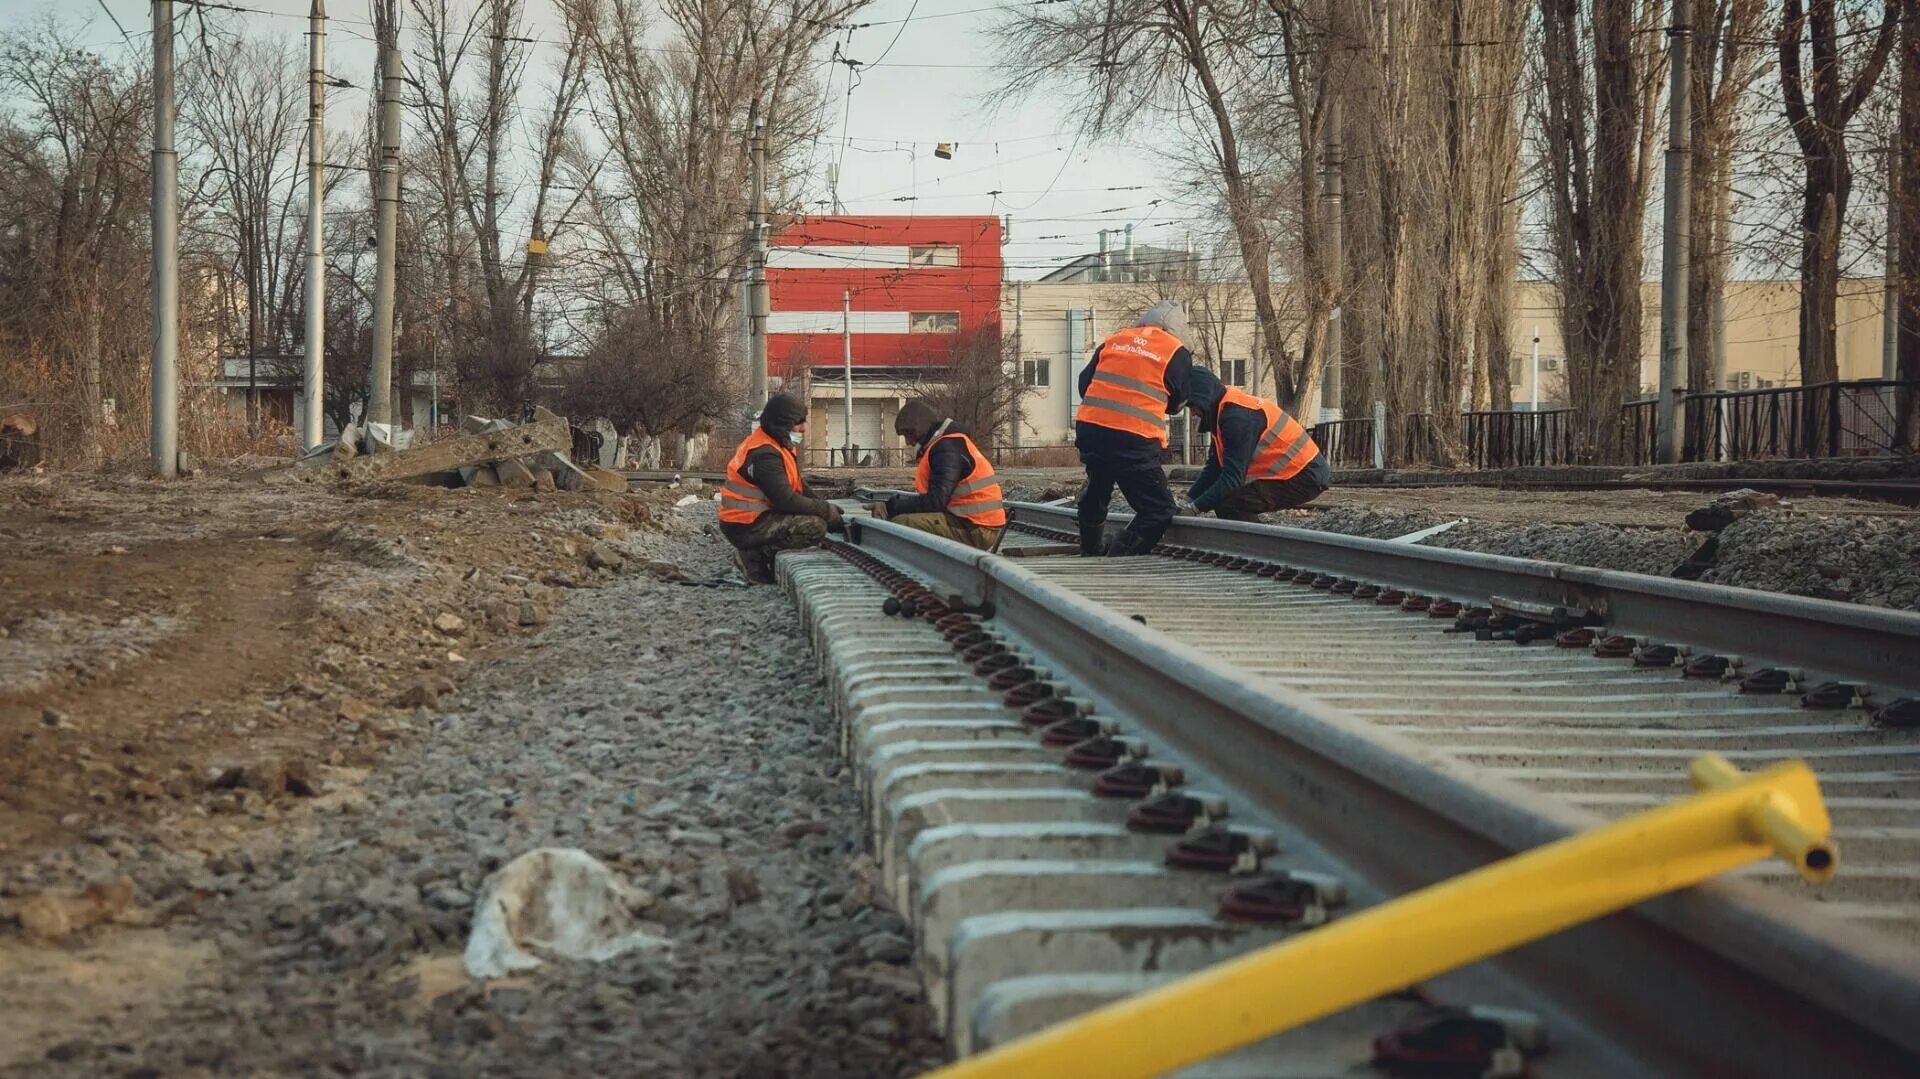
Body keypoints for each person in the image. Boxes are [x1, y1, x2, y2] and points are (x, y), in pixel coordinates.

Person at [1073, 300, 1194, 556]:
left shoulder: (1116, 339)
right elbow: (1178, 402)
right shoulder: (1176, 351)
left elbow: (1085, 384)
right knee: (1158, 509)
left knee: (1099, 483)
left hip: (1092, 431)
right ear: (1179, 330)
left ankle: (1090, 549)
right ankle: (1118, 557)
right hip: (1135, 439)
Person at [718, 395, 843, 584]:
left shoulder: (775, 444)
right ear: (782, 423)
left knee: (816, 518)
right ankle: (752, 557)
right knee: (814, 527)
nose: (804, 427)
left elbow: (798, 487)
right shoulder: (765, 454)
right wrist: (825, 511)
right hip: (745, 526)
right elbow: (785, 500)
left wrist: (826, 507)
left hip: (749, 519)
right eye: (798, 423)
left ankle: (756, 555)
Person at [1181, 367, 1330, 519]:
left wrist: (1194, 508)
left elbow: (1232, 478)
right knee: (1230, 501)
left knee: (1230, 503)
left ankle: (1257, 543)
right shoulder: (1225, 412)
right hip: (1303, 470)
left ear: (1204, 398)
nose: (1193, 413)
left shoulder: (1237, 420)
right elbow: (1215, 467)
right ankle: (1255, 541)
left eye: (1192, 405)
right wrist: (1188, 501)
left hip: (1306, 474)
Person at [880, 401, 1007, 551]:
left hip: (977, 529)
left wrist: (891, 507)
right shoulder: (949, 444)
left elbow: (935, 502)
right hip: (975, 523)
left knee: (902, 523)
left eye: (910, 433)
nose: (908, 442)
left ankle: (916, 571)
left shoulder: (946, 449)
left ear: (922, 428)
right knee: (902, 520)